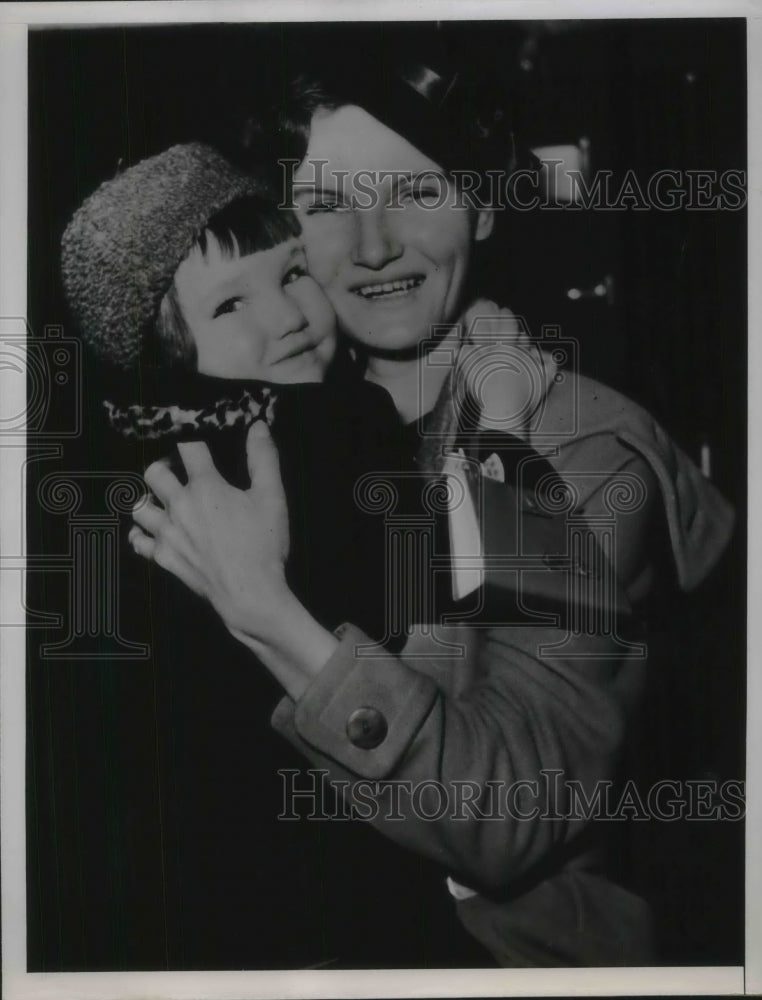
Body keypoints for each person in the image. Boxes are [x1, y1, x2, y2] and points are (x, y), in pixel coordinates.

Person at [129, 54, 735, 967]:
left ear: (484, 207)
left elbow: (515, 811)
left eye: (414, 190)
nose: (372, 245)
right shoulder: (280, 426)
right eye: (329, 204)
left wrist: (266, 613)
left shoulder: (563, 439)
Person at [59, 140, 544, 969]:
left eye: (289, 274)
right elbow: (473, 638)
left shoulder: (157, 461)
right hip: (354, 907)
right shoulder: (324, 434)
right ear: (163, 356)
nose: (284, 317)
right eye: (227, 308)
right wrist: (499, 422)